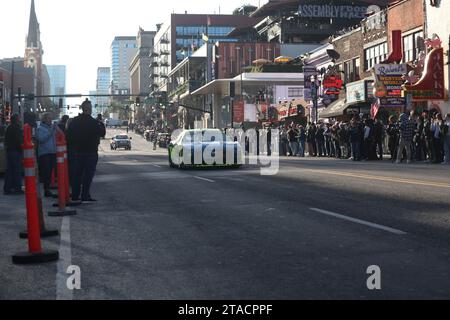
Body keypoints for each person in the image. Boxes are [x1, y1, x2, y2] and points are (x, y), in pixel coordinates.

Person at [66, 99, 106, 202]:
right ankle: (85, 195)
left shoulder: (75, 121)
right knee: (88, 175)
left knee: (77, 175)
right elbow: (102, 133)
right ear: (90, 109)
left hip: (78, 151)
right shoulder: (93, 122)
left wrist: (74, 145)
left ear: (82, 109)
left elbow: (68, 136)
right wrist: (101, 123)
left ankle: (75, 195)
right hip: (91, 152)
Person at [36, 113, 58, 197]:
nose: (50, 120)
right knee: (46, 171)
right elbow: (42, 139)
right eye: (48, 118)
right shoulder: (40, 128)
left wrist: (56, 129)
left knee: (50, 171)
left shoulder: (51, 128)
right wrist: (51, 131)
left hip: (52, 152)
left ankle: (47, 188)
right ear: (44, 119)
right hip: (44, 153)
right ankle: (46, 189)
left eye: (50, 118)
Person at [3, 114, 23, 195]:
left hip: (10, 151)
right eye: (19, 118)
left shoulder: (9, 127)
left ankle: (8, 188)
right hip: (15, 151)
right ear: (17, 119)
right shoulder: (16, 128)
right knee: (16, 170)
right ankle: (17, 188)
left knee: (10, 170)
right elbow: (19, 140)